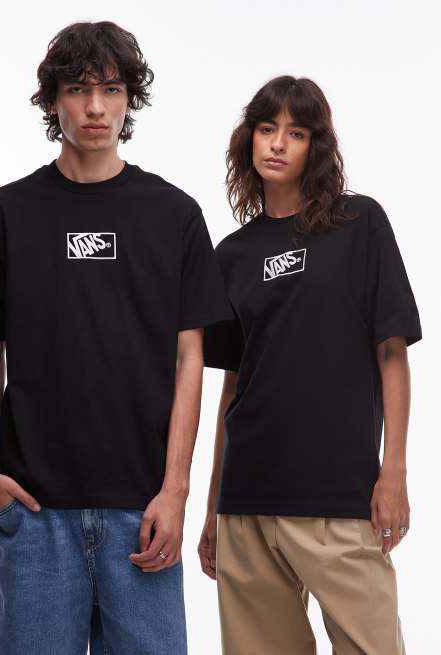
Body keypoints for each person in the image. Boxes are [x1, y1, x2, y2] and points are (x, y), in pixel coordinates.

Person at [0, 20, 233, 655]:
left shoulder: (174, 214)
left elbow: (190, 359)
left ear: (131, 98)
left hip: (143, 513)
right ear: (54, 101)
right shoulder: (7, 213)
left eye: (110, 89)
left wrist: (176, 489)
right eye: (77, 90)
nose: (95, 107)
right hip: (34, 512)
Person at [198, 75, 421, 654]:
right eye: (266, 129)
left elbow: (392, 353)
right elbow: (232, 387)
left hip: (339, 499)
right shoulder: (231, 256)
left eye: (295, 133)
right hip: (248, 504)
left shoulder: (359, 225)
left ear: (315, 146)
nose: (277, 143)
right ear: (248, 139)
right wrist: (213, 506)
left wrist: (393, 472)